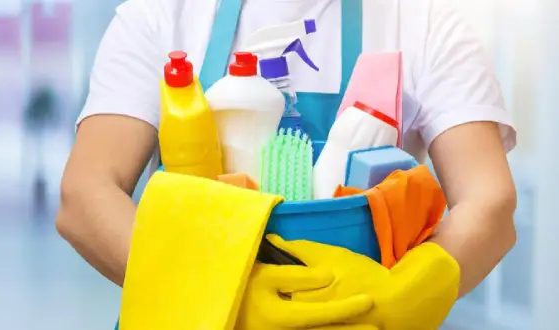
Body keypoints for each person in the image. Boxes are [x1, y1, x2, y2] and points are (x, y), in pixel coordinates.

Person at [57, 0, 516, 316]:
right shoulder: (165, 13)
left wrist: (398, 298)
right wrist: (213, 294)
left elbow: (488, 202)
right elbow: (86, 193)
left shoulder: (423, 17)